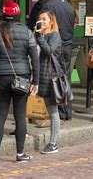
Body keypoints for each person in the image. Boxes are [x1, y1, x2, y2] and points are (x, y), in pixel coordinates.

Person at [0, 0, 39, 163]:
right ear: (18, 15)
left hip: (1, 78)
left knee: (0, 115)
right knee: (20, 115)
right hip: (22, 77)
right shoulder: (27, 32)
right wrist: (35, 81)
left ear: (4, 15)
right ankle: (20, 154)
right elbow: (34, 58)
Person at [42, 0, 75, 121]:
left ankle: (60, 111)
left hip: (55, 46)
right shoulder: (70, 7)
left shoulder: (49, 6)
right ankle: (67, 110)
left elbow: (44, 26)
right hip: (67, 46)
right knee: (65, 78)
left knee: (54, 79)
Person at [36, 10, 64, 154]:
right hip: (41, 76)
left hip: (50, 77)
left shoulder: (54, 35)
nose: (42, 22)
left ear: (51, 21)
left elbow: (49, 51)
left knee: (53, 111)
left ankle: (53, 143)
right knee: (49, 109)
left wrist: (39, 37)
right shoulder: (40, 36)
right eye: (40, 19)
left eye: (45, 19)